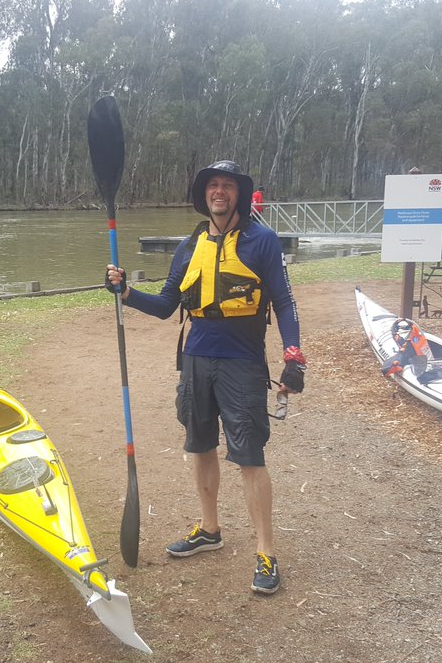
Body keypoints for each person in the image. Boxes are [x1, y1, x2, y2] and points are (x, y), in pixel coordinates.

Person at [105, 160, 303, 596]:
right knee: (200, 446)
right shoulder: (189, 245)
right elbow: (162, 305)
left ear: (239, 193)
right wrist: (125, 291)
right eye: (213, 185)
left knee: (249, 456)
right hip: (196, 359)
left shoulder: (262, 241)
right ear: (204, 194)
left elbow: (285, 302)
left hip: (243, 362)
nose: (219, 192)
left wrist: (294, 357)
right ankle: (209, 529)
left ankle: (266, 550)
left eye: (227, 185)